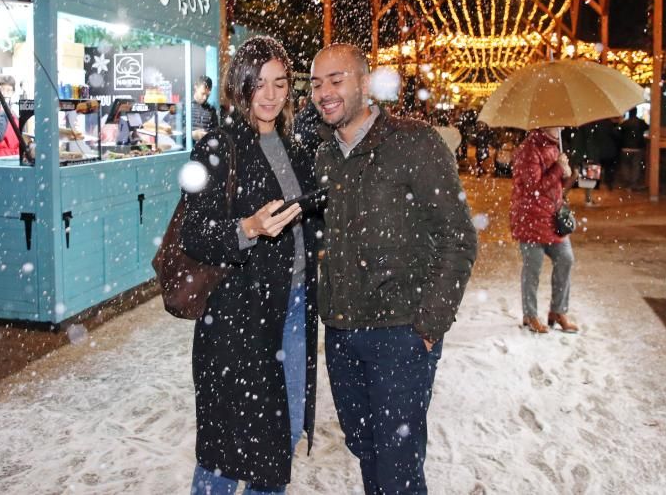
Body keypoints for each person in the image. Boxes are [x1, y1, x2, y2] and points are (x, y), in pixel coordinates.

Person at [310, 44, 478, 495]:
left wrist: (429, 324)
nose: (325, 92)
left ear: (365, 83)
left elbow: (459, 236)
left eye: (336, 79)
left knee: (398, 466)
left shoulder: (414, 142)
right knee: (365, 448)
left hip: (401, 333)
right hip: (344, 334)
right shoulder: (325, 155)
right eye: (316, 83)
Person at [181, 36, 320, 494]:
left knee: (282, 436)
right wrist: (248, 229)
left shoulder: (296, 148)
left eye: (279, 83)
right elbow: (194, 233)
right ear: (239, 85)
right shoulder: (219, 147)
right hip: (236, 318)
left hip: (293, 307)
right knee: (226, 444)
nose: (270, 94)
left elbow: (306, 220)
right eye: (258, 83)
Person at [509, 126, 579, 334]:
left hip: (552, 218)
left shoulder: (554, 146)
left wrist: (567, 175)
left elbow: (555, 186)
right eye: (557, 123)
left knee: (566, 259)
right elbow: (534, 188)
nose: (562, 127)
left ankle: (558, 311)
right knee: (533, 268)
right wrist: (558, 168)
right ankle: (530, 315)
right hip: (530, 219)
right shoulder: (528, 150)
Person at [618, 107, 648, 189]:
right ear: (636, 112)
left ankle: (627, 181)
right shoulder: (641, 122)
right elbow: (647, 127)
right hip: (637, 148)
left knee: (625, 164)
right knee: (636, 165)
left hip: (625, 147)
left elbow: (619, 131)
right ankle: (633, 182)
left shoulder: (625, 123)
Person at [190, 74, 219, 141]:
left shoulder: (211, 110)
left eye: (207, 95)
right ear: (195, 87)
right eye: (203, 93)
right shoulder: (185, 107)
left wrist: (210, 135)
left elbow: (216, 132)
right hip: (187, 149)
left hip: (206, 149)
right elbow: (175, 132)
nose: (205, 97)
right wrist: (191, 134)